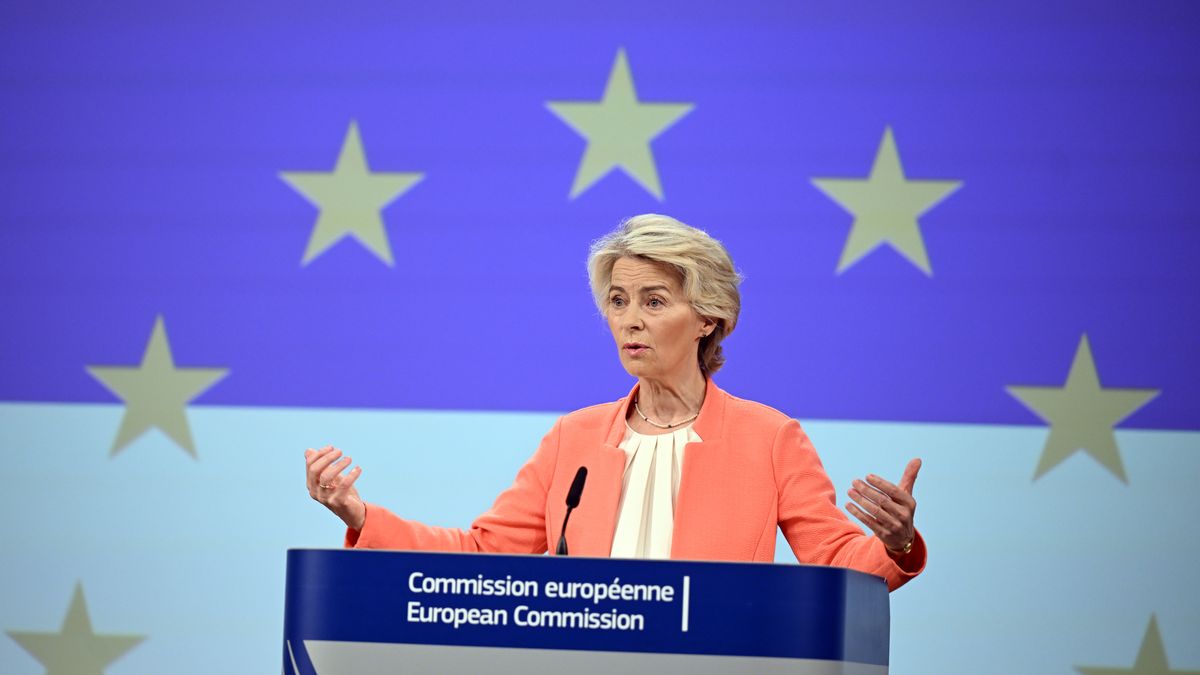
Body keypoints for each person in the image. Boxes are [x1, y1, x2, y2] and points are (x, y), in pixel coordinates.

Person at [305, 214, 926, 591]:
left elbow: (838, 561)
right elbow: (483, 555)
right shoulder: (574, 439)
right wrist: (362, 517)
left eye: (654, 301)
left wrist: (896, 543)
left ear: (708, 317)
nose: (630, 319)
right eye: (618, 300)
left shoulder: (769, 438)